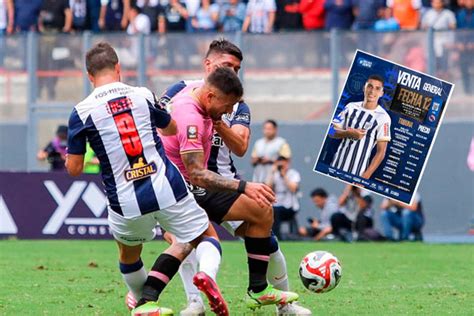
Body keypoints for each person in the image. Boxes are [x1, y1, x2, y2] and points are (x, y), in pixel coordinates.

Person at [65, 42, 229, 316]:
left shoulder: (81, 112)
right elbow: (171, 127)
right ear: (118, 68)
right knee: (205, 236)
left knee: (129, 256)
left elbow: (74, 169)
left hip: (124, 199)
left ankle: (146, 304)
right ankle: (207, 275)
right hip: (166, 186)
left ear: (89, 75)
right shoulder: (142, 94)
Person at [157, 39, 310, 316]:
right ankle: (194, 304)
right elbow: (158, 126)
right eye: (227, 65)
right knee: (185, 241)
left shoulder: (235, 104)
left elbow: (240, 147)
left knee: (267, 239)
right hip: (180, 183)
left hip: (222, 182)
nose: (233, 72)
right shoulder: (181, 91)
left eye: (237, 68)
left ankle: (284, 305)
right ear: (208, 64)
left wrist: (216, 120)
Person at [330, 74, 391, 179]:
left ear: (381, 93)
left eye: (377, 89)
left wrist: (364, 177)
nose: (372, 91)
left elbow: (381, 152)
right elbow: (331, 131)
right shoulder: (350, 107)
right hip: (336, 167)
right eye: (370, 86)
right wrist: (348, 133)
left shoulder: (384, 118)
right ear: (364, 88)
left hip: (357, 174)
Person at [265, 156, 301, 240]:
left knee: (276, 211)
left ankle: (277, 237)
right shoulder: (274, 174)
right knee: (271, 210)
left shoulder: (293, 174)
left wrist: (284, 175)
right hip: (276, 204)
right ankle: (267, 236)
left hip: (289, 207)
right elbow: (267, 188)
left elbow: (293, 188)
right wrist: (271, 173)